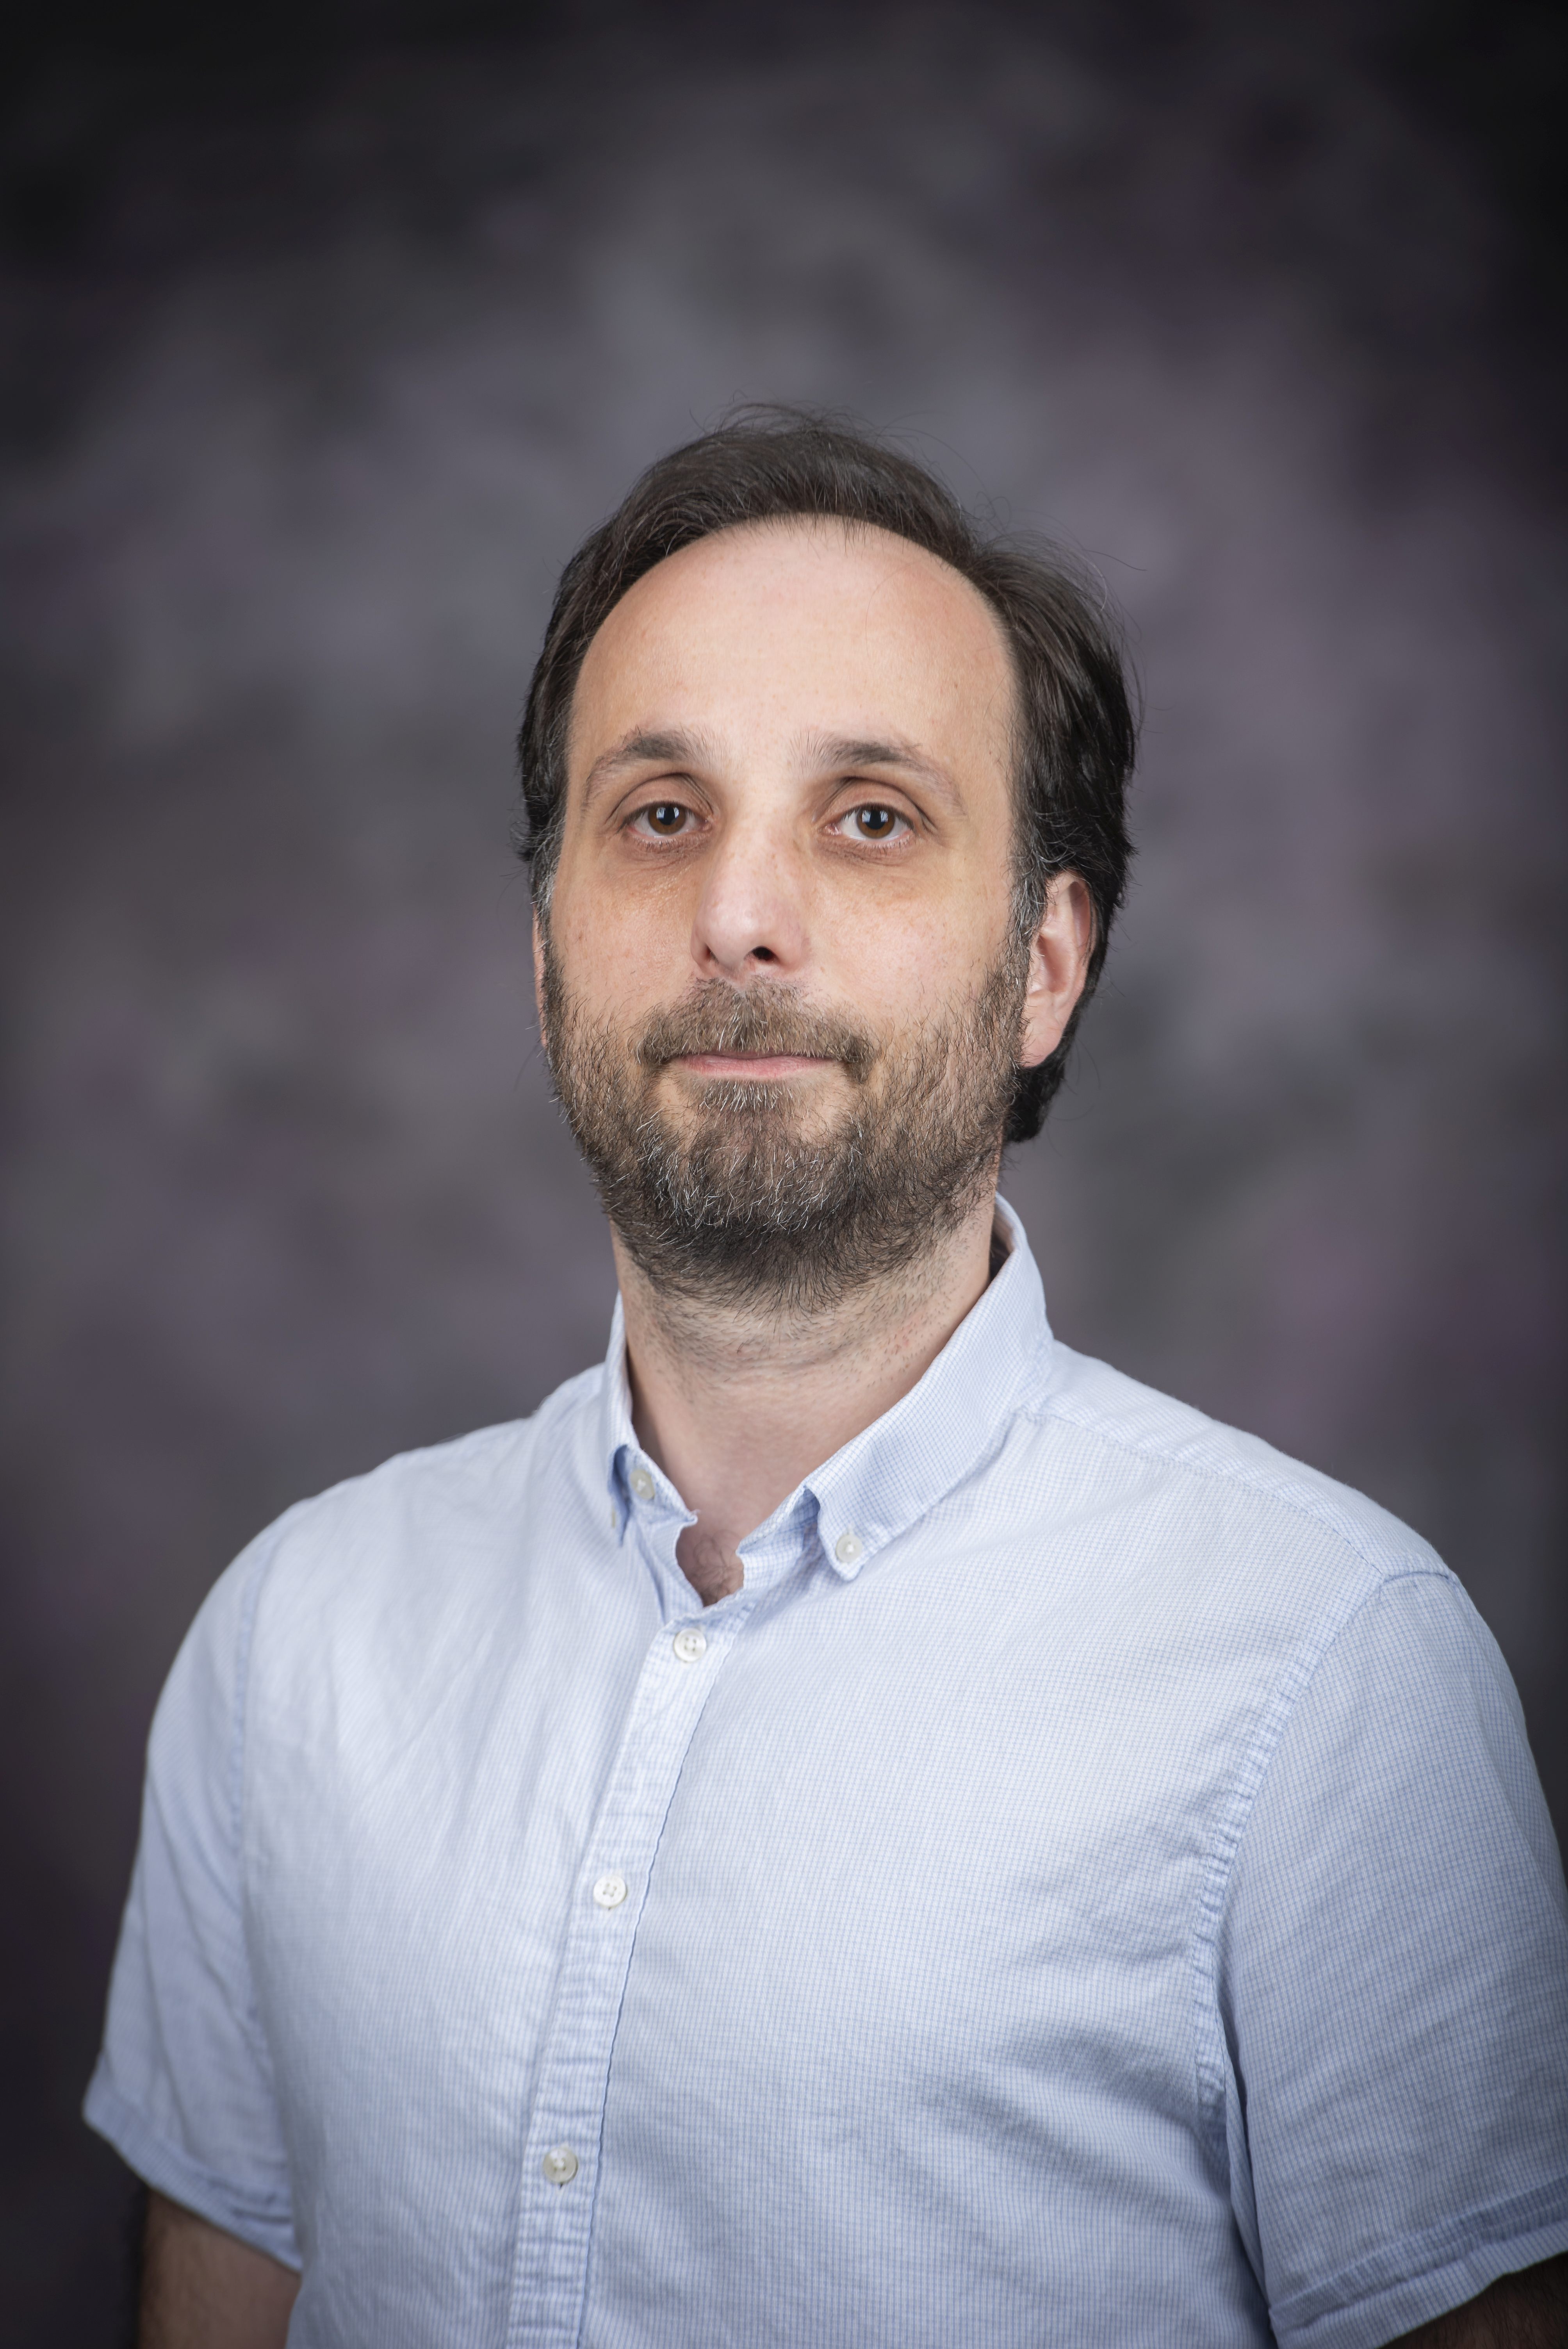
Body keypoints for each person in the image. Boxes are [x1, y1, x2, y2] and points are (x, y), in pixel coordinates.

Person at [87, 412, 1568, 2349]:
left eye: (869, 814)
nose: (737, 915)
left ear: (1044, 963)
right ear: (546, 957)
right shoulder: (296, 1637)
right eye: (658, 813)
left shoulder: (1331, 1674)